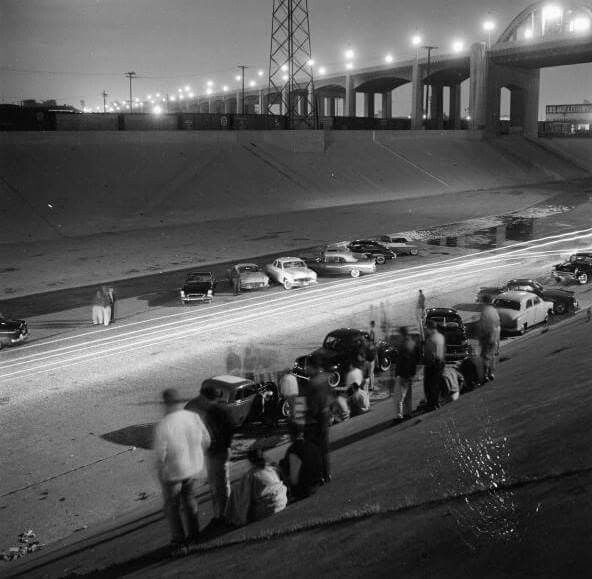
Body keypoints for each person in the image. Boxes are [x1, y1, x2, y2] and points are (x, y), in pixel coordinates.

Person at [153, 388, 211, 557]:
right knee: (190, 500)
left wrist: (160, 471)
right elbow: (206, 440)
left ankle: (179, 540)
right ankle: (195, 535)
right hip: (193, 468)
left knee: (172, 507)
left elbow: (160, 454)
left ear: (166, 403)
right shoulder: (193, 417)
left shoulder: (164, 425)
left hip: (174, 472)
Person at [193, 383, 234, 532]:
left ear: (205, 397)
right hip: (222, 450)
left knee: (218, 486)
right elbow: (231, 428)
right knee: (222, 483)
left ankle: (222, 516)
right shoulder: (224, 409)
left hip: (216, 452)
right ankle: (222, 513)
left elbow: (209, 435)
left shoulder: (212, 412)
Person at [225, 447, 287, 527]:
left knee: (237, 491)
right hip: (281, 501)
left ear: (250, 461)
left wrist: (241, 518)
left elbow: (244, 499)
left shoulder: (250, 475)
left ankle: (228, 517)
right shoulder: (273, 468)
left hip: (268, 508)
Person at [301, 354, 332, 483]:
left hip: (315, 419)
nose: (305, 369)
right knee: (324, 448)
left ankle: (320, 476)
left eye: (306, 366)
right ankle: (327, 473)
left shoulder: (312, 383)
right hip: (325, 415)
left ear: (312, 367)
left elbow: (311, 406)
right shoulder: (325, 377)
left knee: (316, 450)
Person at [280, 433, 324, 500]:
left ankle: (288, 491)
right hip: (317, 483)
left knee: (283, 464)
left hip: (304, 489)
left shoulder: (293, 449)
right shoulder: (312, 445)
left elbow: (290, 473)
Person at [394, 326, 418, 421]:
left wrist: (397, 373)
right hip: (410, 373)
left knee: (399, 397)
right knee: (408, 396)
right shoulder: (412, 343)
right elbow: (416, 358)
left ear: (402, 334)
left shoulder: (403, 345)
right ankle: (408, 413)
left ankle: (399, 416)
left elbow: (400, 361)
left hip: (404, 373)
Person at [423, 321, 445, 411]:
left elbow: (430, 355)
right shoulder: (440, 336)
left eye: (426, 328)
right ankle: (436, 402)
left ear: (430, 328)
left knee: (429, 385)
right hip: (441, 363)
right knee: (436, 384)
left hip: (432, 365)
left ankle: (432, 404)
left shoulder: (431, 339)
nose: (425, 330)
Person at [479, 303, 501, 382]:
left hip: (487, 339)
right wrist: (498, 346)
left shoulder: (484, 313)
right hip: (494, 340)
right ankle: (491, 373)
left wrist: (481, 341)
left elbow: (482, 329)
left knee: (485, 358)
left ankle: (485, 375)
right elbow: (498, 329)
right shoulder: (495, 313)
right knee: (492, 357)